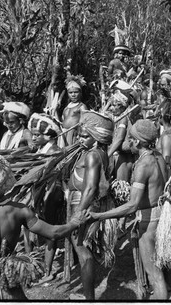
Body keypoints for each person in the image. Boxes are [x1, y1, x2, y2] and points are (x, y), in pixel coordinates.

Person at [0, 146, 89, 300]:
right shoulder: (20, 210)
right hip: (8, 280)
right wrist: (75, 221)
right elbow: (54, 233)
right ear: (5, 180)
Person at [89, 119, 168, 300]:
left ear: (138, 142)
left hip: (150, 222)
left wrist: (99, 216)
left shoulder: (143, 165)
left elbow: (132, 205)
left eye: (130, 139)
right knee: (162, 270)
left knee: (155, 276)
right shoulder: (158, 156)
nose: (126, 143)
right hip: (162, 215)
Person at [66, 110, 115, 300]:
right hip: (82, 203)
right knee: (83, 249)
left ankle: (88, 298)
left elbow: (90, 188)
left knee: (83, 251)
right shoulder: (97, 152)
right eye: (80, 135)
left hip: (82, 203)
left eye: (85, 136)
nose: (80, 139)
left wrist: (78, 215)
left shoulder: (93, 155)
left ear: (96, 138)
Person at [27, 113, 66, 284]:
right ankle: (32, 266)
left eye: (37, 135)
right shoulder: (41, 150)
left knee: (50, 231)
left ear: (49, 136)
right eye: (33, 134)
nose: (33, 138)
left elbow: (56, 177)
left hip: (51, 194)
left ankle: (48, 271)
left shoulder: (54, 152)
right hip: (39, 194)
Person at [61, 75, 88, 146]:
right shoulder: (66, 107)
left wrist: (80, 136)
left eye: (76, 92)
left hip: (74, 136)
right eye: (71, 93)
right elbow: (63, 121)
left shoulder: (81, 106)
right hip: (63, 135)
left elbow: (84, 124)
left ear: (80, 93)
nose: (73, 95)